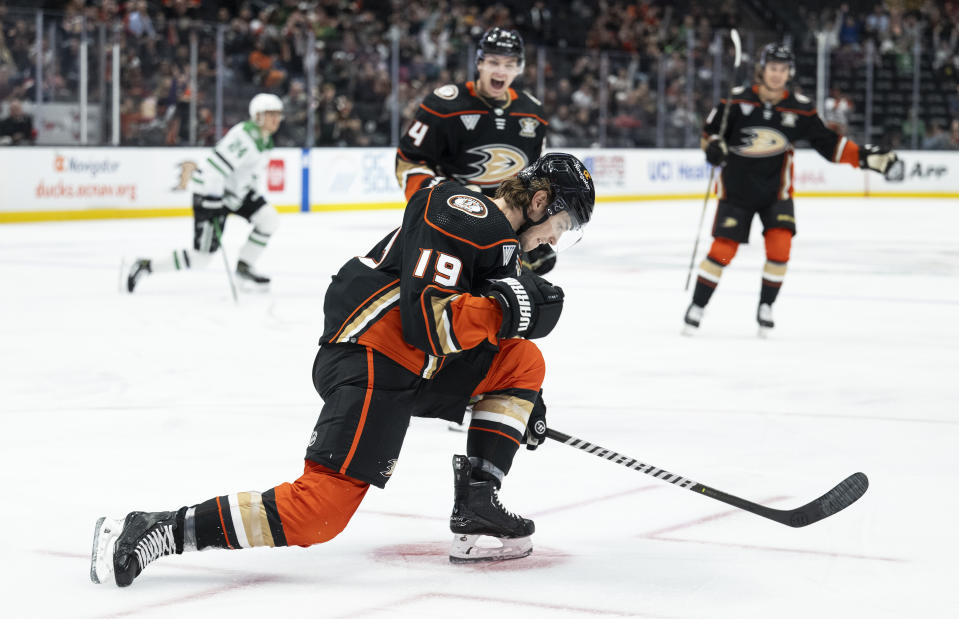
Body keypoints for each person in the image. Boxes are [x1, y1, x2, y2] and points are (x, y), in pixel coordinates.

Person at [91, 153, 596, 587]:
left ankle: (478, 505)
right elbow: (428, 322)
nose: (557, 238)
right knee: (319, 514)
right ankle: (156, 527)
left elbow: (483, 340)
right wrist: (507, 310)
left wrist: (515, 405)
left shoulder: (504, 251)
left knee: (522, 362)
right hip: (372, 351)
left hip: (413, 364)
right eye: (564, 223)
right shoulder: (462, 210)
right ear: (539, 201)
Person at [683, 43, 899, 336]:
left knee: (780, 248)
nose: (777, 75)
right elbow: (708, 138)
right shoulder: (733, 102)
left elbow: (829, 145)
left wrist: (862, 157)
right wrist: (714, 150)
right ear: (762, 70)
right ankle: (698, 305)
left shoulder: (799, 108)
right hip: (736, 192)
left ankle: (766, 307)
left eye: (782, 70)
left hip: (777, 194)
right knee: (722, 251)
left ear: (789, 73)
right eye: (772, 68)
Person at [395, 27, 556, 275]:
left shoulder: (533, 114)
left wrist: (535, 226)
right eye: (493, 62)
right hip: (450, 227)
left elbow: (534, 177)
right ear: (479, 62)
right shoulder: (444, 106)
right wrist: (444, 198)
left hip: (503, 230)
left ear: (519, 68)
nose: (501, 71)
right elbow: (408, 161)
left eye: (509, 64)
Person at [125, 93, 284, 293]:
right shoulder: (245, 138)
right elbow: (214, 171)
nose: (276, 119)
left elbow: (247, 174)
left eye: (278, 114)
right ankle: (145, 266)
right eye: (271, 114)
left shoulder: (265, 140)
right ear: (258, 116)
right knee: (201, 258)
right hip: (210, 195)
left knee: (268, 219)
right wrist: (213, 203)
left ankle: (244, 267)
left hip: (234, 194)